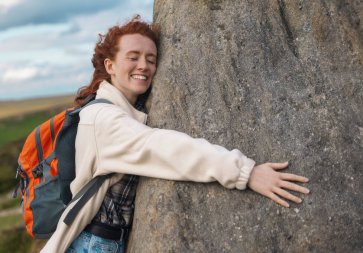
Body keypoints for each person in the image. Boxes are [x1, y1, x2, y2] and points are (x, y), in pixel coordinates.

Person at [41, 15, 310, 253]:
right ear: (110, 66)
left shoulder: (118, 109)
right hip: (94, 245)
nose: (143, 66)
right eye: (133, 57)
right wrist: (245, 172)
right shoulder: (105, 119)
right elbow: (163, 146)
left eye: (151, 59)